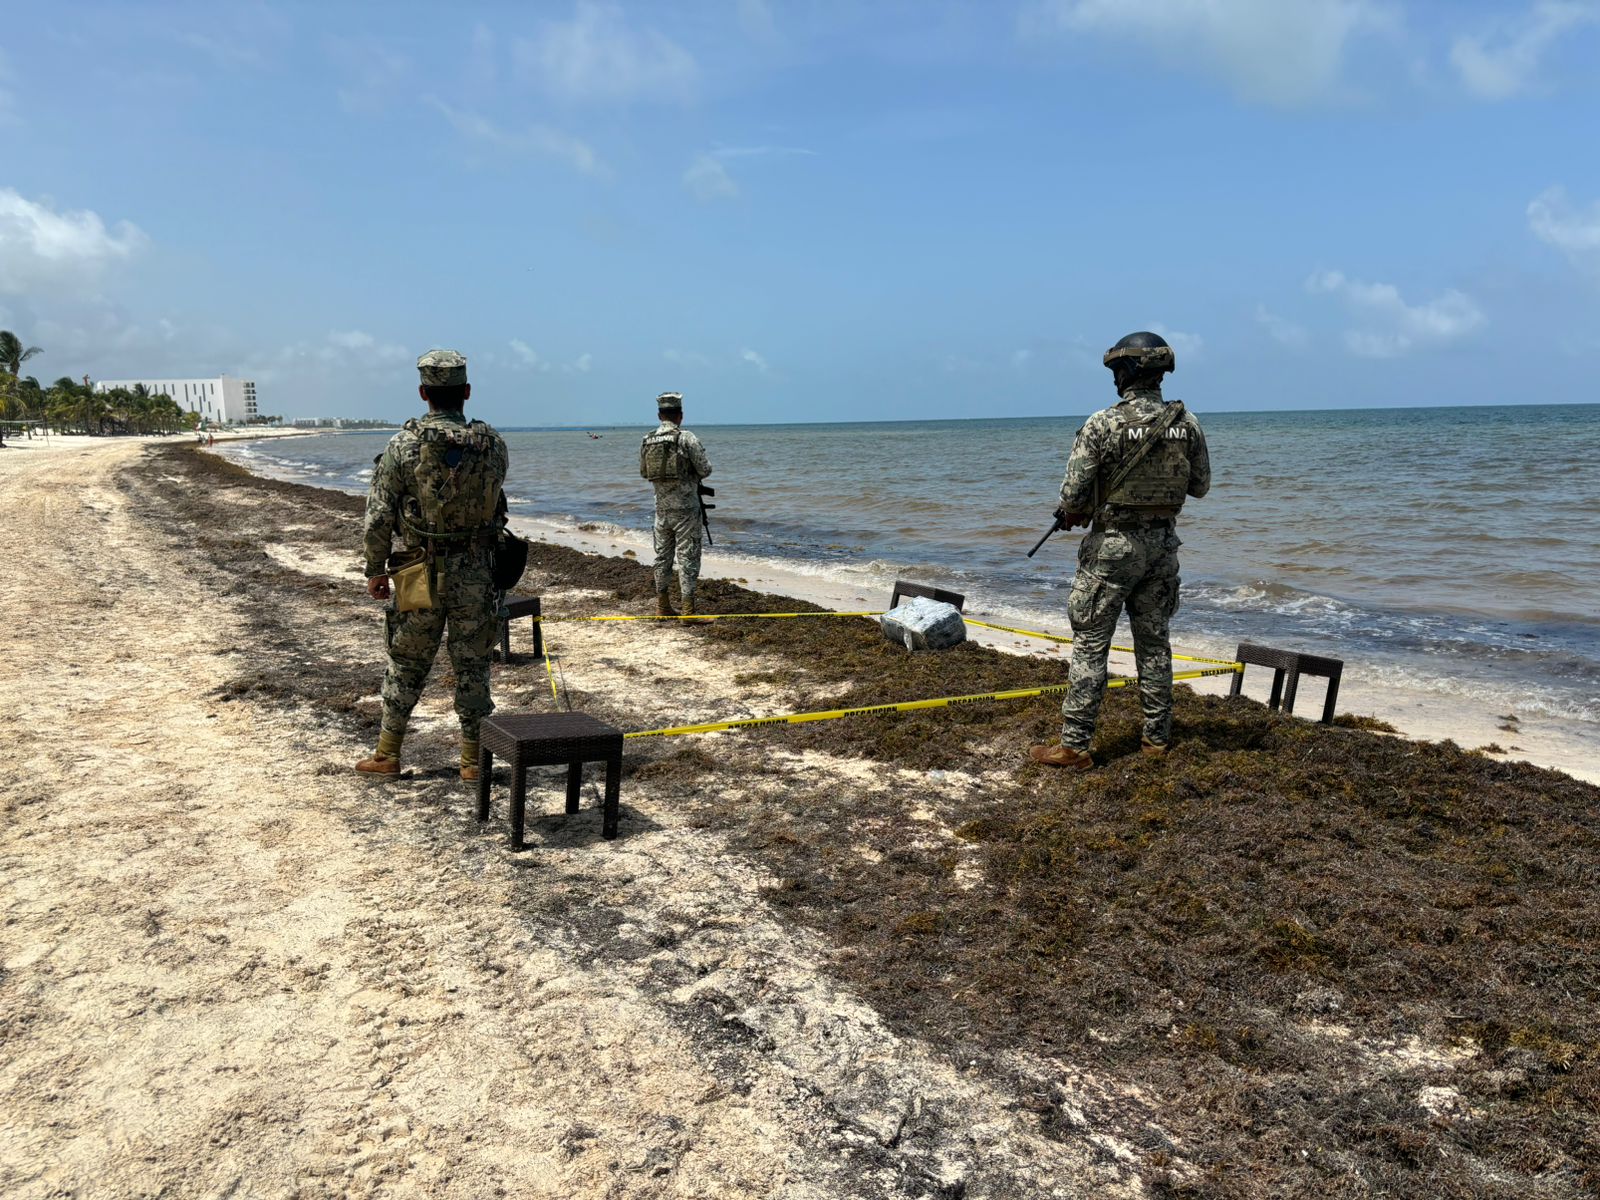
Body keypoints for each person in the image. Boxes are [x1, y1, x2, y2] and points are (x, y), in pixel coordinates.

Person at [1030, 331, 1210, 770]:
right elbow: (1200, 486)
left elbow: (1072, 496)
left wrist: (1078, 510)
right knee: (1155, 644)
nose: (1114, 378)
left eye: (1116, 370)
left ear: (1127, 371)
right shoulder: (1187, 423)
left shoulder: (1102, 424)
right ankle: (1156, 739)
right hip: (1163, 548)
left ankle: (1075, 747)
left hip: (1113, 548)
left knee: (1091, 643)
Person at [356, 349, 510, 780]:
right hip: (477, 571)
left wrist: (375, 569)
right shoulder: (493, 444)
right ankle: (473, 761)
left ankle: (388, 754)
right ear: (466, 392)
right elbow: (494, 500)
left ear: (423, 393)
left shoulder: (402, 446)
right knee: (473, 667)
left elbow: (379, 514)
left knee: (407, 662)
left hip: (416, 571)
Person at [639, 391, 712, 616]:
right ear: (680, 415)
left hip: (661, 509)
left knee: (662, 557)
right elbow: (705, 469)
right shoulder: (686, 438)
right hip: (686, 510)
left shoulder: (648, 439)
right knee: (688, 557)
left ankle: (663, 606)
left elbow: (644, 473)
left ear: (659, 415)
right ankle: (688, 611)